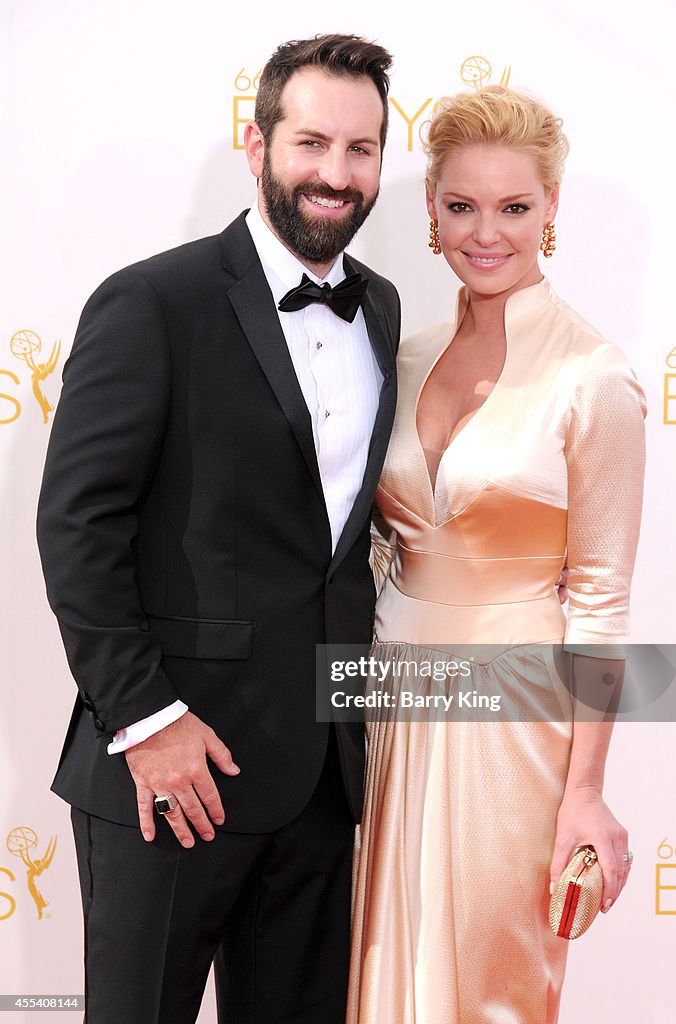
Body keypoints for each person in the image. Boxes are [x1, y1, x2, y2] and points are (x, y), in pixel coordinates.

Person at [36, 33, 399, 1024]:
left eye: (360, 149)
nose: (335, 173)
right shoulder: (154, 300)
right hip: (172, 774)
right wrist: (146, 720)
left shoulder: (382, 313)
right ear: (256, 142)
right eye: (311, 142)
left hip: (323, 778)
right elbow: (77, 523)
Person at [346, 86, 646, 1024]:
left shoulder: (593, 378)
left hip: (511, 721)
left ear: (551, 211)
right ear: (430, 211)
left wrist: (585, 792)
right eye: (461, 205)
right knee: (379, 970)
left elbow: (599, 597)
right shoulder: (399, 357)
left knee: (486, 986)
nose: (487, 232)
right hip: (385, 704)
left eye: (515, 207)